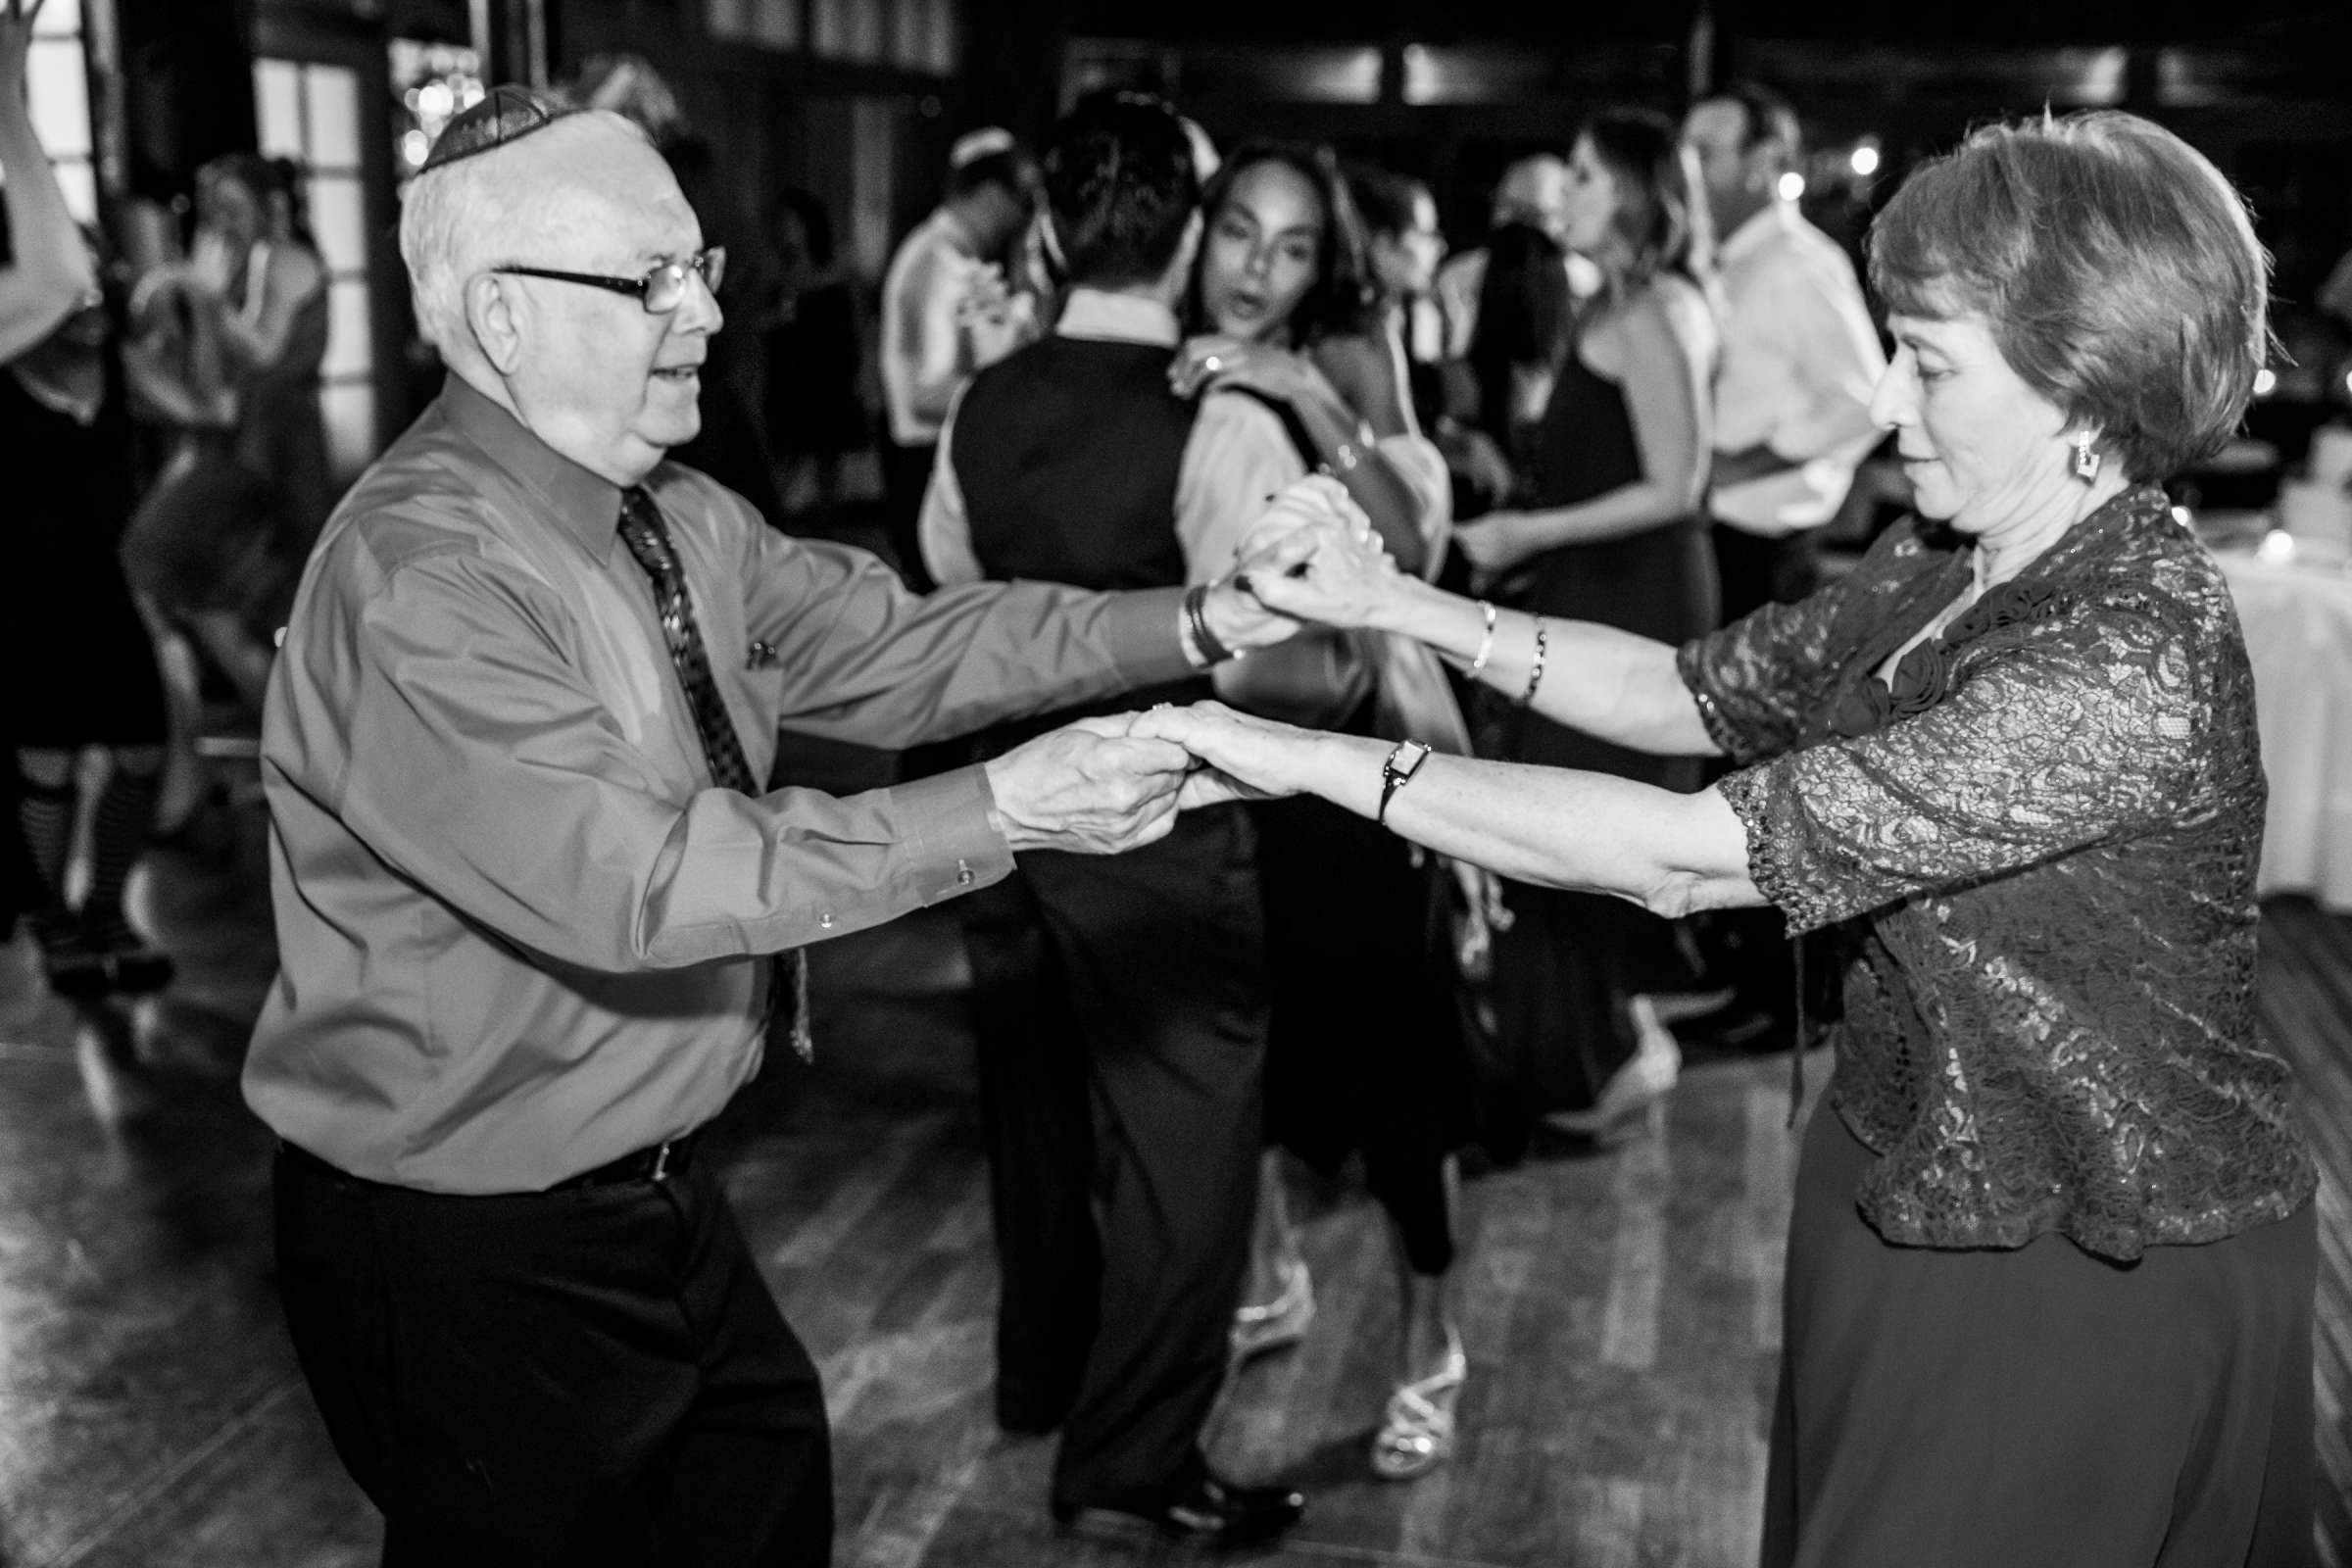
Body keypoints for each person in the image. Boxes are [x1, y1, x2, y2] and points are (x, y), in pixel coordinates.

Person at [1136, 109, 2316, 1568]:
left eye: (1930, 365)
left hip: (2082, 1255)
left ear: (2085, 398)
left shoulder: (2120, 662)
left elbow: (1682, 853)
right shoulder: (1944, 558)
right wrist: (1391, 604)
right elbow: (1681, 691)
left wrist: (1273, 751)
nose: (1885, 401)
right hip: (1901, 1163)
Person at [245, 87, 1357, 1567]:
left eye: (702, 267)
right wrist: (1006, 804)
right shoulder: (423, 578)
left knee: (762, 1492)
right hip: (469, 1232)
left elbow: (909, 644)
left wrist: (1207, 613)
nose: (702, 312)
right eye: (650, 280)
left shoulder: (677, 514)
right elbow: (641, 882)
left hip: (652, 1186)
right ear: (502, 318)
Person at [916, 91, 1314, 1543]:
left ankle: (1041, 1382)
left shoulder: (982, 402)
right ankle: (1128, 1463)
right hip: (1163, 830)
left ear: (1046, 229)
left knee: (1034, 1117)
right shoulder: (1219, 419)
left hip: (1003, 813)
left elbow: (949, 609)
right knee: (1187, 1155)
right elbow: (1262, 648)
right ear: (1193, 234)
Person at [1164, 138, 1477, 1482]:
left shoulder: (1342, 355)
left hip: (1344, 769)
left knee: (1398, 1070)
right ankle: (1271, 1277)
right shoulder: (1162, 356)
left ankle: (1433, 1338)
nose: (1258, 270)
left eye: (1293, 249)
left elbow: (1415, 531)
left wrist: (1300, 387)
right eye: (1241, 233)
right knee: (1245, 1053)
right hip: (1210, 762)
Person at [1448, 111, 1721, 1152]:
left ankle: (1599, 1058)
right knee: (1570, 813)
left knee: (1577, 814)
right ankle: (1606, 1044)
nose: (1563, 185)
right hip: (1601, 577)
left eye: (1580, 171)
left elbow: (1678, 484)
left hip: (1636, 588)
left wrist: (1531, 526)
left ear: (1635, 192)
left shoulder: (1651, 309)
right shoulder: (1619, 298)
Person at [0, 0, 174, 995]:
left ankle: (107, 906)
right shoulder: (7, 351)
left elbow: (214, 401)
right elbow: (50, 264)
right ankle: (58, 922)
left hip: (98, 582)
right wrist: (9, 90)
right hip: (21, 589)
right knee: (48, 765)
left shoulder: (109, 361)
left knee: (144, 747)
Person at [1683, 83, 1886, 623]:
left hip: (1759, 552)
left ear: (1764, 162)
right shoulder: (1720, 263)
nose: (1686, 171)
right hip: (1712, 536)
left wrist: (1736, 466)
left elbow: (1864, 402)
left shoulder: (1798, 263)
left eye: (1704, 154)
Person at [879, 126, 1039, 590]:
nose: (1020, 217)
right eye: (1020, 200)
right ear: (991, 195)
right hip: (927, 468)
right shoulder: (937, 264)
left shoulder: (950, 257)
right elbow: (924, 395)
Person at [761, 188, 865, 514]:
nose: (787, 229)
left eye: (792, 221)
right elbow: (763, 322)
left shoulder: (838, 266)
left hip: (830, 368)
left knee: (827, 451)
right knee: (786, 450)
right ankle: (776, 516)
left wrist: (863, 370)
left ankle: (826, 518)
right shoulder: (777, 270)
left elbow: (857, 321)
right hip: (793, 370)